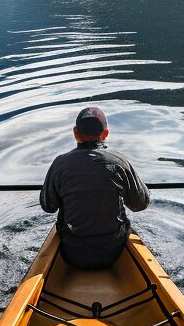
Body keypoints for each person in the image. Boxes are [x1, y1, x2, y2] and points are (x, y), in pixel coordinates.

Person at [39, 107, 150, 269]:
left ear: (76, 133)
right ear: (105, 134)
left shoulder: (59, 164)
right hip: (114, 251)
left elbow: (48, 206)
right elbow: (140, 204)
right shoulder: (119, 162)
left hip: (72, 252)